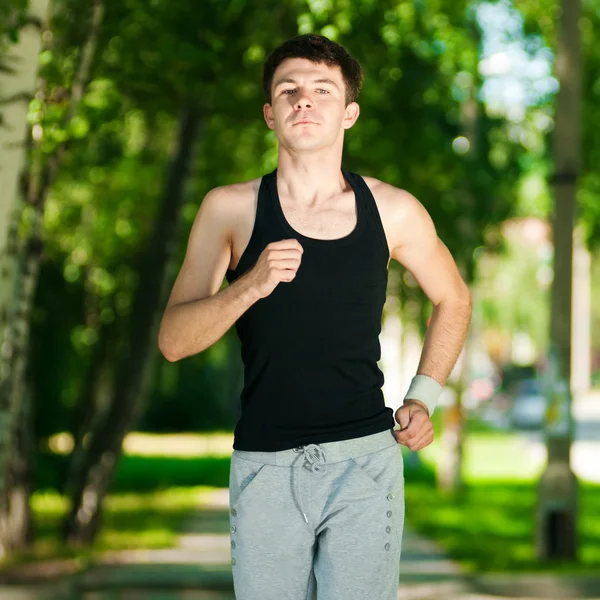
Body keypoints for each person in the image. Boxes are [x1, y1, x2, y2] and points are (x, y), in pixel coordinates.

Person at [158, 33, 472, 600]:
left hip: (366, 462)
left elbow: (454, 298)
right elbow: (174, 341)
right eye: (289, 89)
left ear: (348, 112)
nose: (305, 99)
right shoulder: (228, 209)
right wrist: (248, 285)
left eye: (323, 89)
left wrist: (423, 396)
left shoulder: (393, 209)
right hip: (264, 465)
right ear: (269, 115)